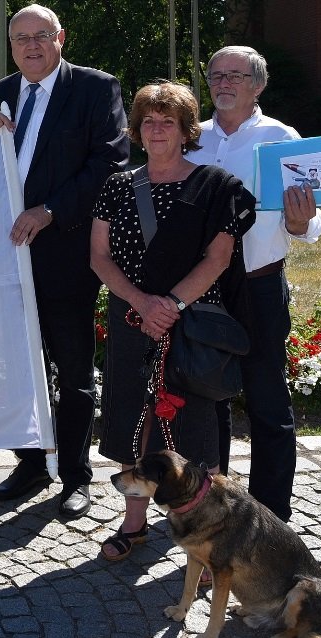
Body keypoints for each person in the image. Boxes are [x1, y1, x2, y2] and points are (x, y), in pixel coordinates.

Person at [0, 3, 129, 518]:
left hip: (65, 252)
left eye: (41, 36)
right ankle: (30, 463)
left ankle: (75, 475)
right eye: (21, 39)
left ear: (61, 38)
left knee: (74, 371)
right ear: (11, 46)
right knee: (20, 368)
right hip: (7, 256)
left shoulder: (94, 87)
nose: (31, 46)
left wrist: (49, 210)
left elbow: (111, 162)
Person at [91, 81, 254, 561]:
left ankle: (207, 537)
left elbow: (218, 258)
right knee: (130, 419)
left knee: (195, 426)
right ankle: (134, 522)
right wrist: (143, 304)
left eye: (168, 121)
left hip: (191, 325)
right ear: (137, 131)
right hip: (130, 318)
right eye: (148, 121)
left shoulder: (216, 185)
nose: (157, 129)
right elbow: (99, 257)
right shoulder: (118, 186)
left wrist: (170, 306)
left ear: (186, 131)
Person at [185, 46, 321, 522]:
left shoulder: (282, 138)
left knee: (267, 404)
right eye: (216, 75)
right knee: (206, 402)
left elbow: (312, 218)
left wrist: (302, 222)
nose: (223, 83)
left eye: (235, 76)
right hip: (201, 288)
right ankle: (208, 508)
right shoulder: (191, 136)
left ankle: (270, 516)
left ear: (258, 85)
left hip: (259, 286)